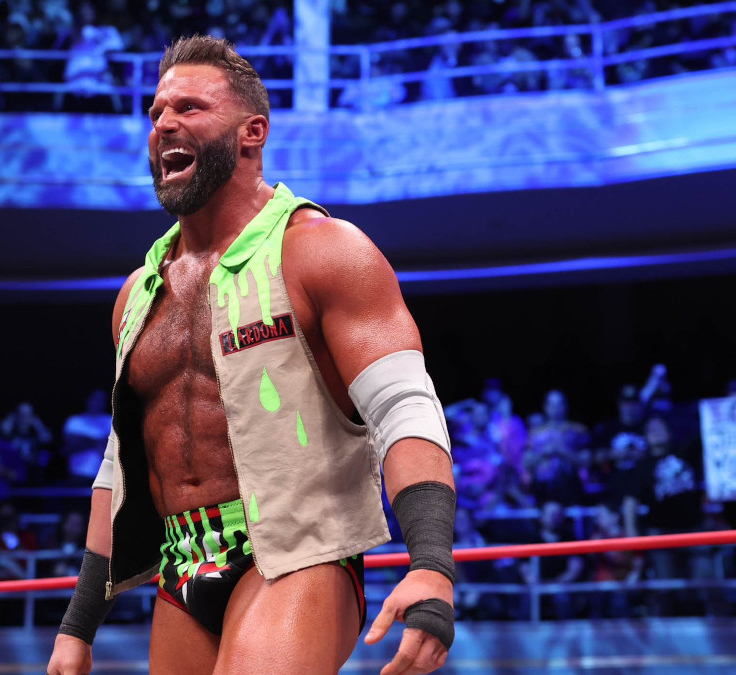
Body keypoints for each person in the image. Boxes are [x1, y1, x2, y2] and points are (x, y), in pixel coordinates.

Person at [49, 35, 456, 675]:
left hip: (297, 550)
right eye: (156, 112)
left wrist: (431, 565)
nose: (164, 124)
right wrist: (77, 626)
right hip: (181, 562)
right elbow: (119, 463)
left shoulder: (323, 250)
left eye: (189, 108)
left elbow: (405, 407)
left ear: (252, 133)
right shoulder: (138, 293)